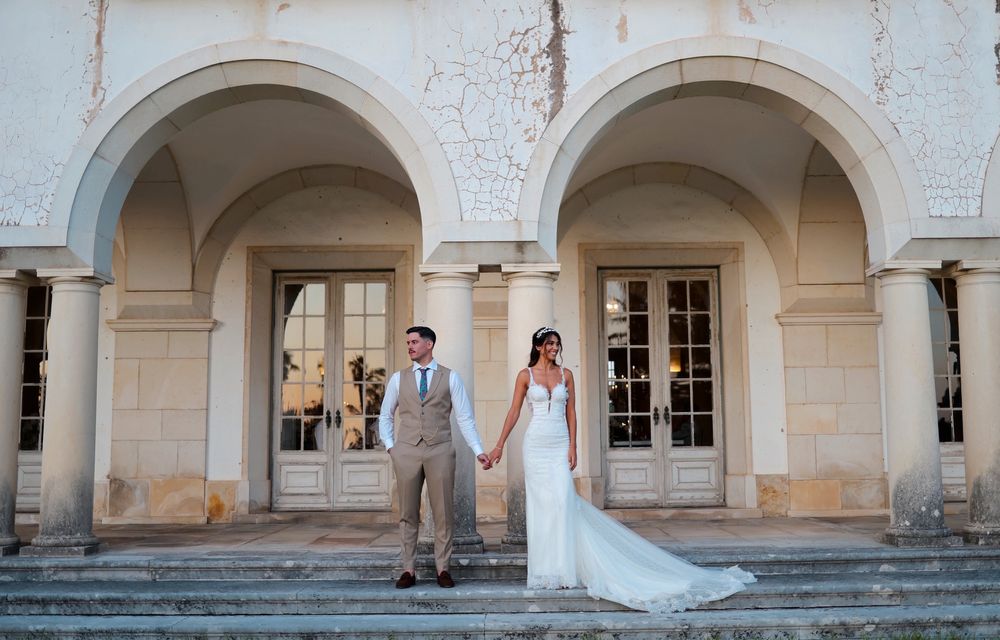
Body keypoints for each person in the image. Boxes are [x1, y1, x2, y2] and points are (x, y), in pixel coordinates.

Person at [488, 327, 755, 613]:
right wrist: (499, 445)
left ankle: (565, 571)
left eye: (557, 344)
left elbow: (572, 412)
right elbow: (514, 412)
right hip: (536, 446)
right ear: (539, 346)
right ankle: (545, 573)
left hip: (559, 444)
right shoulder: (524, 376)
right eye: (550, 344)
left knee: (563, 503)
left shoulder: (566, 375)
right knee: (541, 507)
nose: (555, 348)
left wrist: (573, 446)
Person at [378, 325, 493, 590]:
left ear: (429, 344)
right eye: (408, 342)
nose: (410, 346)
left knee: (443, 512)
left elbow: (465, 418)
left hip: (440, 449)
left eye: (414, 342)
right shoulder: (398, 378)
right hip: (405, 450)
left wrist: (478, 451)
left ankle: (443, 569)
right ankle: (409, 568)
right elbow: (385, 415)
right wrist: (391, 447)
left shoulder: (450, 377)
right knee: (407, 513)